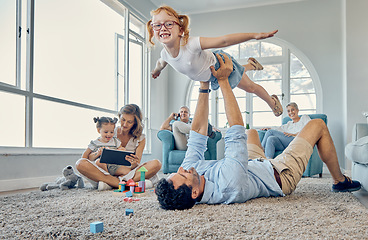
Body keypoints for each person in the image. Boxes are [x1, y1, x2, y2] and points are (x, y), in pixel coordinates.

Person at [155, 53, 361, 210]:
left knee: (252, 133)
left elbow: (198, 135)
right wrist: (224, 81)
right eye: (182, 174)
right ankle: (339, 181)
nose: (184, 169)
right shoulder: (229, 185)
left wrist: (203, 84)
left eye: (179, 171)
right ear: (194, 192)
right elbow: (235, 129)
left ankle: (242, 71)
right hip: (280, 174)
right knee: (318, 125)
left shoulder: (190, 173)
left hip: (254, 165)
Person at [146, 5, 283, 117]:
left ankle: (272, 102)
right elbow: (161, 63)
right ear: (153, 31)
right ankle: (251, 65)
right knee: (241, 75)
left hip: (219, 64)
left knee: (250, 88)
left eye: (169, 24)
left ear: (180, 30)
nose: (162, 28)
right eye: (157, 25)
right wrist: (156, 71)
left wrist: (254, 35)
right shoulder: (164, 54)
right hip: (210, 75)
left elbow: (224, 40)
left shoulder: (191, 44)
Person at [76, 104, 162, 190]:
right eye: (123, 119)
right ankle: (120, 182)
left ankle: (111, 183)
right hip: (104, 170)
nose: (124, 124)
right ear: (119, 117)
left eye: (129, 122)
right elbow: (88, 156)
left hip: (125, 171)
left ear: (135, 122)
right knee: (80, 163)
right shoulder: (110, 131)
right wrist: (97, 153)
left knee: (156, 164)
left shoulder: (140, 138)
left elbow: (136, 163)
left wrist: (134, 162)